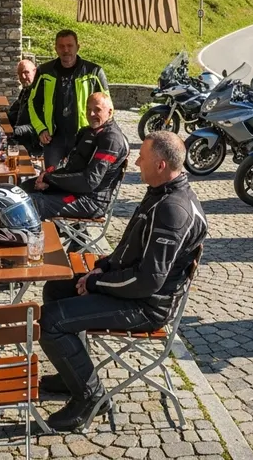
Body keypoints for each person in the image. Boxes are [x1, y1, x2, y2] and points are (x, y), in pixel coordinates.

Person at [39, 131, 207, 431]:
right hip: (133, 290)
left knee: (50, 321)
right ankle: (73, 375)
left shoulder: (172, 209)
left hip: (147, 306)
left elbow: (147, 282)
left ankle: (91, 398)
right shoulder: (161, 192)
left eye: (143, 157)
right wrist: (102, 268)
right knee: (56, 287)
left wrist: (96, 284)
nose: (137, 162)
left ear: (161, 165)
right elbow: (130, 248)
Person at [22, 92, 128, 220]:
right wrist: (47, 178)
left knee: (29, 203)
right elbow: (71, 168)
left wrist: (50, 180)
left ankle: (33, 237)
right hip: (75, 191)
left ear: (110, 112)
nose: (91, 114)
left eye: (97, 110)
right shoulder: (87, 132)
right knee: (22, 189)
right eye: (88, 109)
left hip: (91, 201)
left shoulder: (112, 139)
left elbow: (90, 182)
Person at [28, 30, 109, 170]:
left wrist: (101, 134)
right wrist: (41, 129)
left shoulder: (94, 71)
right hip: (53, 138)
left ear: (78, 47)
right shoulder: (44, 71)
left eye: (70, 45)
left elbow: (108, 107)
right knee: (51, 180)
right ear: (56, 49)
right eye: (61, 46)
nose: (66, 50)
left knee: (78, 179)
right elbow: (33, 102)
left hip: (83, 137)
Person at [8, 58, 40, 154]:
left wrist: (17, 130)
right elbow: (13, 111)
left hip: (33, 142)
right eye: (20, 74)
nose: (23, 76)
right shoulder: (25, 91)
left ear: (35, 71)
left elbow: (43, 125)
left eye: (26, 72)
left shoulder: (40, 93)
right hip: (19, 137)